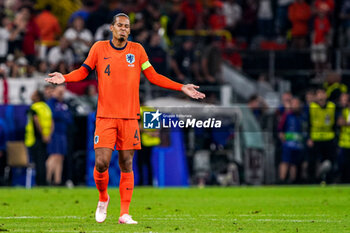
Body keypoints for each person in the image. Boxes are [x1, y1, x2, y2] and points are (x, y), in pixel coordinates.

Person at [45, 13, 205, 224]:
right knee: (102, 163)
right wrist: (64, 77)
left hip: (130, 117)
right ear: (112, 28)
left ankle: (124, 213)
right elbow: (83, 72)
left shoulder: (137, 50)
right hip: (105, 117)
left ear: (129, 30)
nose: (123, 28)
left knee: (126, 164)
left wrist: (181, 86)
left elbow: (154, 76)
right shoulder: (99, 48)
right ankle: (103, 198)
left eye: (126, 26)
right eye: (119, 25)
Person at [306, 88, 336, 183]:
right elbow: (307, 124)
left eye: (322, 93)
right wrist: (309, 137)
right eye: (318, 94)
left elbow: (335, 122)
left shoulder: (332, 106)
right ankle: (312, 181)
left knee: (329, 161)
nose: (320, 96)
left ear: (326, 95)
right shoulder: (311, 107)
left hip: (329, 138)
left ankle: (329, 180)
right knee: (313, 161)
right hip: (316, 138)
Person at [25, 90, 53, 186]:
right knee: (42, 161)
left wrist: (42, 135)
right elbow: (52, 122)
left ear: (37, 97)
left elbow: (36, 121)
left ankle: (39, 183)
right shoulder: (46, 107)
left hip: (36, 138)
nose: (31, 96)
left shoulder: (34, 107)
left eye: (33, 94)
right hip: (46, 138)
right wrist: (48, 135)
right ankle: (43, 181)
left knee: (38, 162)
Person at [46, 85, 73, 185]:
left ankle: (57, 181)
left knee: (60, 157)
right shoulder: (51, 103)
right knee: (54, 155)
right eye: (59, 92)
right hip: (54, 132)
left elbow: (69, 118)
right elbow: (52, 115)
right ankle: (47, 179)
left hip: (62, 133)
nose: (61, 95)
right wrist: (62, 115)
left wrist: (62, 115)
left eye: (62, 93)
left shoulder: (63, 104)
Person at [278, 98, 304, 184]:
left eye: (297, 103)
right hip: (288, 143)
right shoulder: (287, 115)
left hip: (298, 144)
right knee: (285, 161)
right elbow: (280, 128)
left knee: (294, 163)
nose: (295, 105)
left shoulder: (301, 116)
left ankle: (292, 181)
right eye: (293, 103)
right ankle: (282, 180)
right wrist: (282, 137)